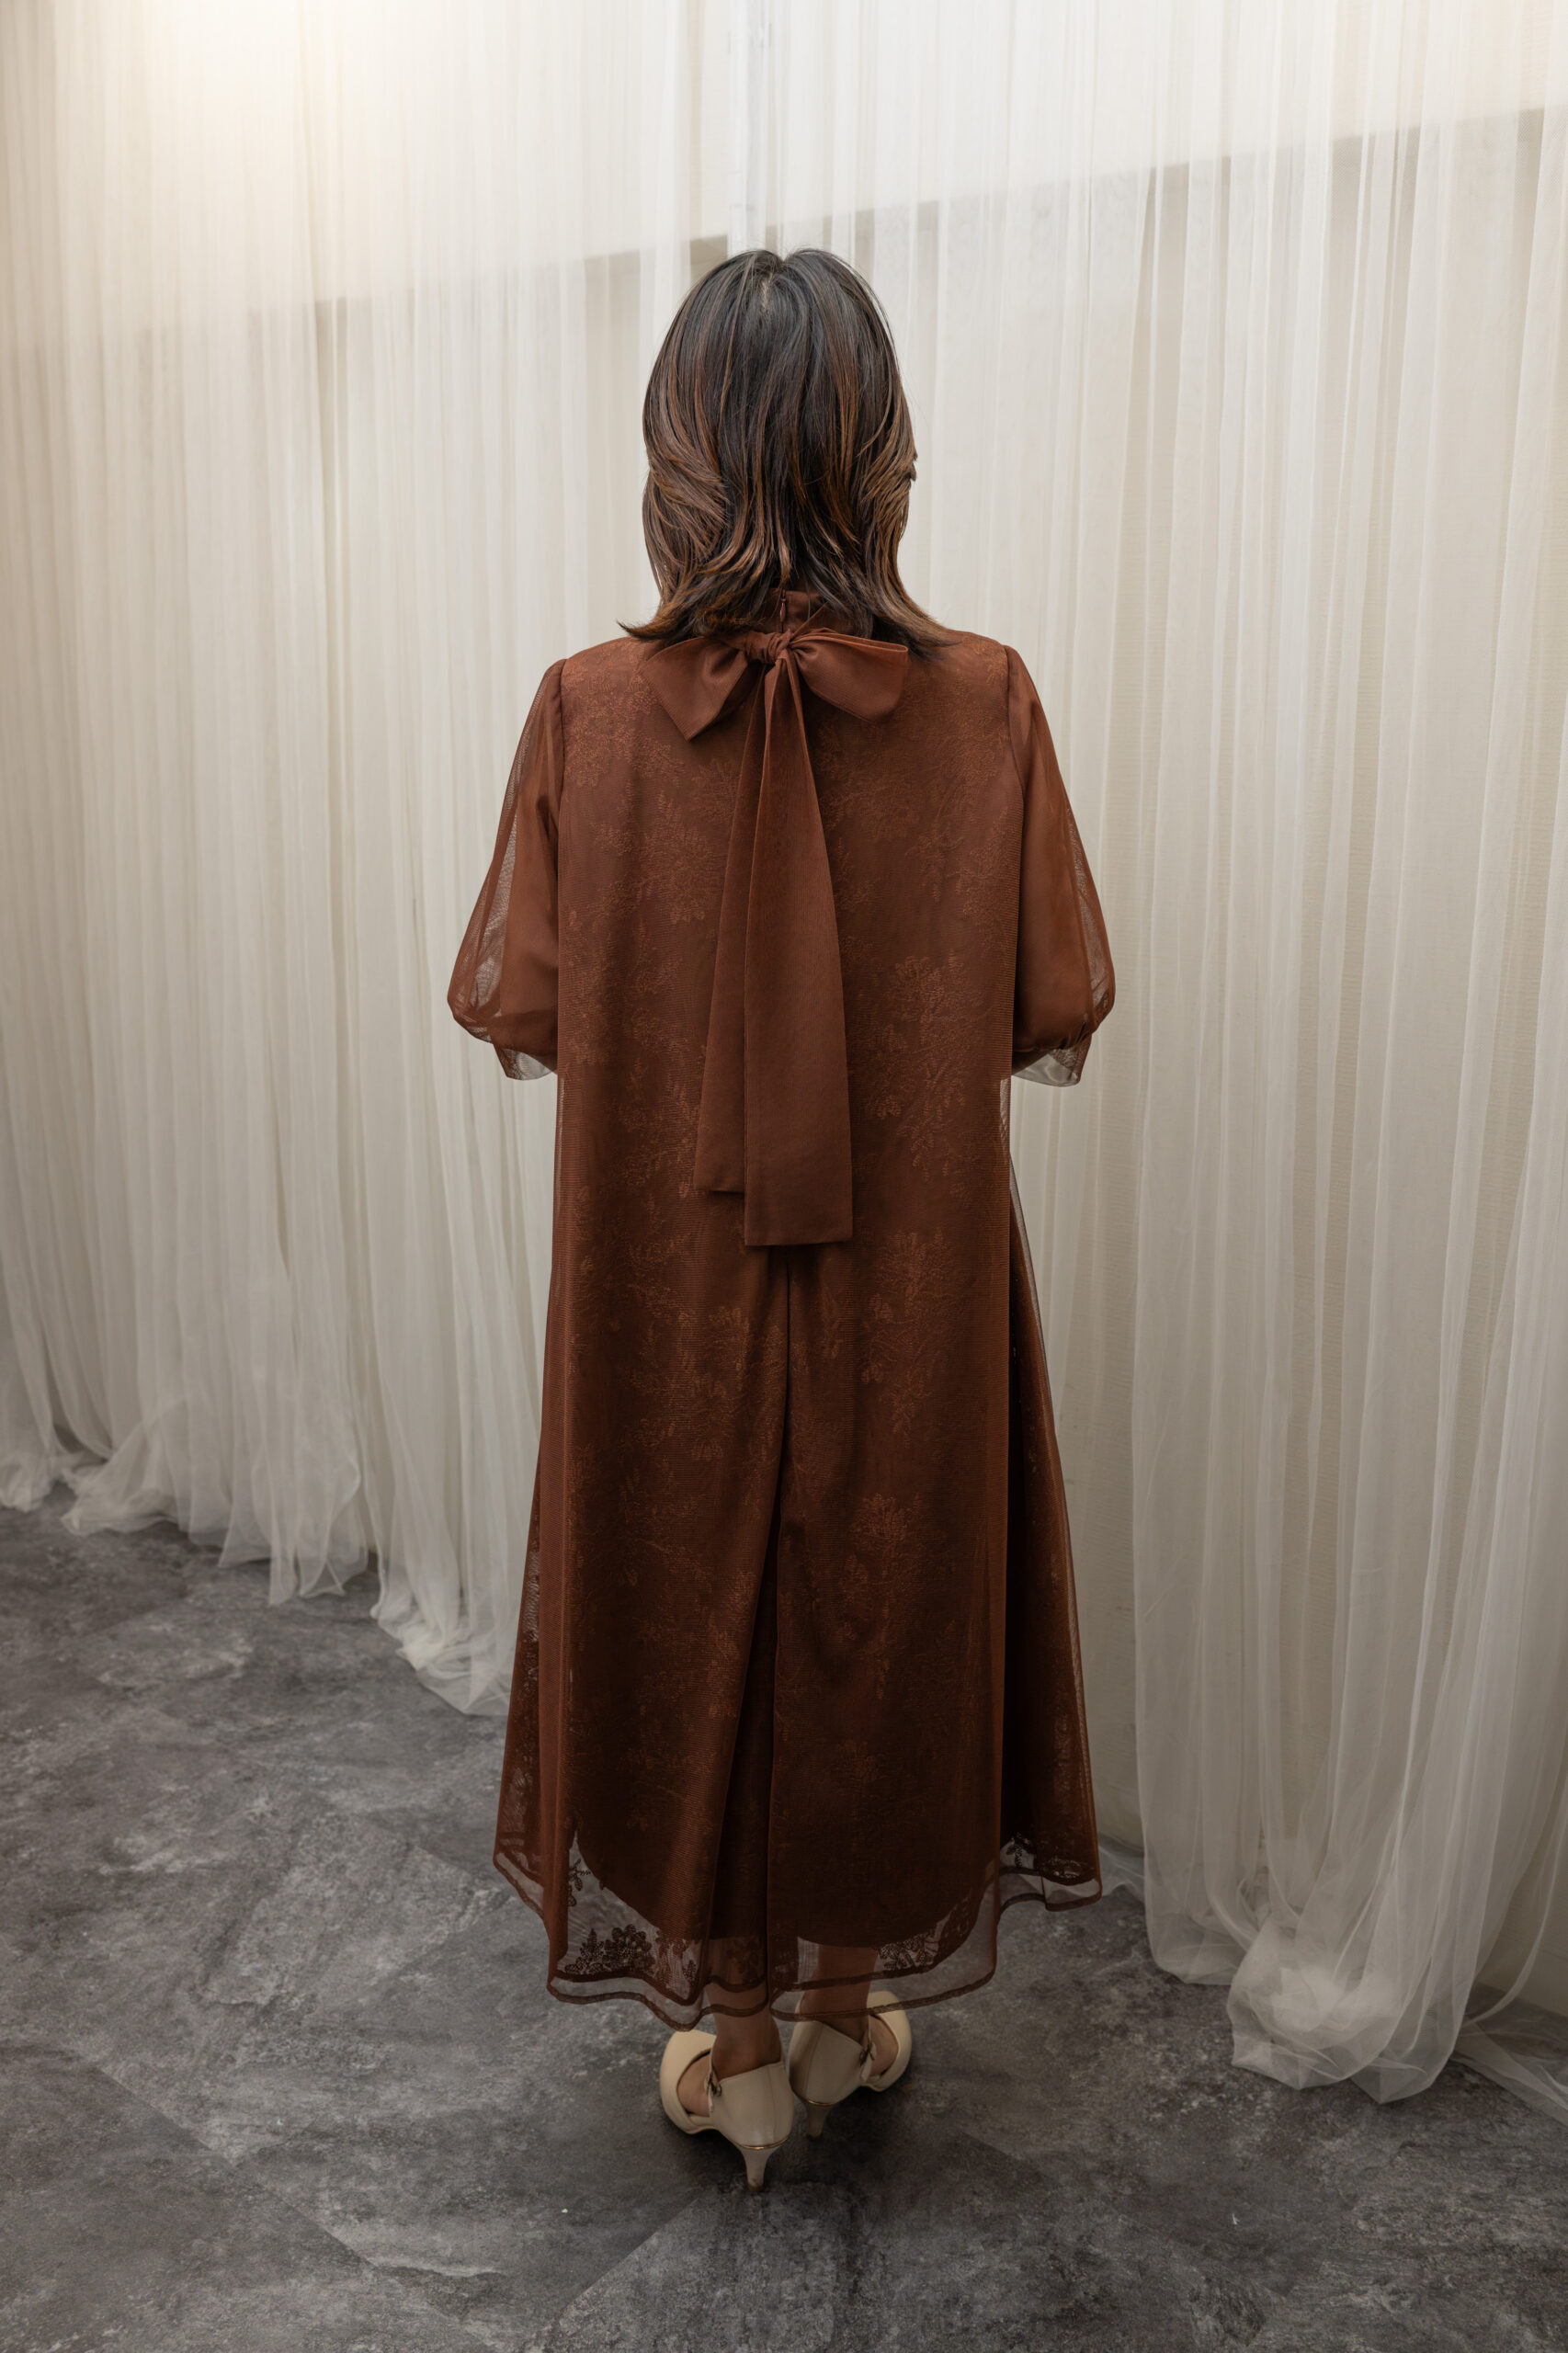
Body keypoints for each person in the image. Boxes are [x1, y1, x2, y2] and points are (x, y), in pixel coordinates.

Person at [449, 246, 1114, 2190]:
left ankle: (733, 2042)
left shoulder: (586, 714)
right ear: (877, 452)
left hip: (665, 1267)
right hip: (909, 1269)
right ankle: (837, 2006)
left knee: (677, 1579)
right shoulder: (983, 706)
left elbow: (522, 1004)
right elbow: (1053, 997)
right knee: (887, 1585)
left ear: (679, 456)